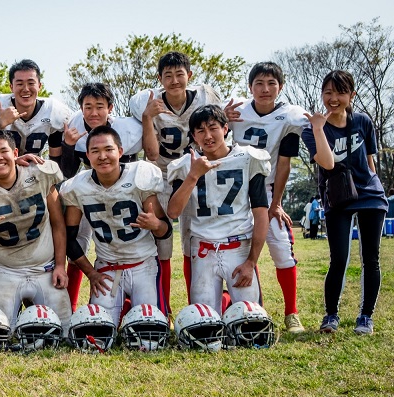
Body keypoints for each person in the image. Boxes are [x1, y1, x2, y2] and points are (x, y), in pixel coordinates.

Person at [130, 51, 222, 316]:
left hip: (194, 171)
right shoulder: (150, 102)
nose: (174, 81)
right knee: (163, 242)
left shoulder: (205, 97)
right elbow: (151, 154)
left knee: (195, 238)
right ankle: (165, 308)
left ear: (189, 76)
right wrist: (147, 118)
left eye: (179, 74)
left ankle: (199, 304)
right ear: (159, 79)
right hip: (160, 174)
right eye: (167, 76)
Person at [0, 129, 71, 333]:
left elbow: (58, 223)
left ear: (15, 153)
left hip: (44, 268)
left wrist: (61, 265)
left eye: (4, 151)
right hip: (5, 271)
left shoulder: (40, 174)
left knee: (63, 330)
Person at [223, 61, 308, 333]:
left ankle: (291, 313)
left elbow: (285, 163)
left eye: (271, 83)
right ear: (250, 87)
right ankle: (250, 306)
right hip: (234, 191)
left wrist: (277, 203)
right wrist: (222, 117)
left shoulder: (290, 116)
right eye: (259, 83)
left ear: (280, 87)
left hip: (268, 188)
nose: (265, 89)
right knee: (240, 250)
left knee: (282, 248)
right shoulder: (234, 109)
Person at [302, 70, 387, 335]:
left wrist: (375, 186)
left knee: (370, 259)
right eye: (328, 92)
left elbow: (370, 161)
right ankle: (331, 315)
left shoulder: (363, 121)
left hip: (370, 196)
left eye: (340, 92)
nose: (333, 98)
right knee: (338, 259)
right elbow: (327, 163)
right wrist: (318, 128)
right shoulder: (312, 130)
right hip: (338, 197)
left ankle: (366, 316)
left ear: (352, 95)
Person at [60, 125, 171, 325]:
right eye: (95, 151)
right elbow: (69, 238)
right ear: (88, 155)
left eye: (108, 149)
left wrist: (155, 224)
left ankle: (129, 305)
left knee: (150, 330)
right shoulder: (77, 187)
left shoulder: (140, 176)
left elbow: (165, 231)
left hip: (143, 265)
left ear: (120, 151)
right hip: (107, 268)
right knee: (100, 330)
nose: (102, 156)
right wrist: (91, 273)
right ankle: (125, 305)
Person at [61, 82, 158, 313]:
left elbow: (150, 155)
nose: (94, 113)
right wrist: (68, 145)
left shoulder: (128, 128)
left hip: (129, 192)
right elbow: (67, 172)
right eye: (88, 107)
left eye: (100, 107)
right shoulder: (74, 128)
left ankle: (156, 303)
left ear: (110, 108)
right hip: (93, 193)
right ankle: (72, 306)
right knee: (77, 243)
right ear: (80, 108)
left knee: (153, 239)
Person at [167, 105, 270, 315]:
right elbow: (173, 212)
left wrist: (251, 262)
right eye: (200, 131)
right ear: (194, 136)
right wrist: (193, 176)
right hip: (203, 249)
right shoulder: (186, 165)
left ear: (225, 128)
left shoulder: (248, 158)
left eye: (213, 128)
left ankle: (227, 301)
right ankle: (223, 301)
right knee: (205, 324)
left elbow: (261, 214)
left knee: (249, 320)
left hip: (238, 246)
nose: (208, 136)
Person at [0, 59, 72, 164]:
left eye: (31, 83)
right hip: (1, 170)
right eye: (20, 84)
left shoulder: (53, 111)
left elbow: (56, 163)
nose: (26, 89)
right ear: (11, 87)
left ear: (39, 86)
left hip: (33, 170)